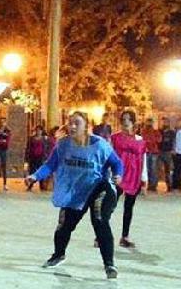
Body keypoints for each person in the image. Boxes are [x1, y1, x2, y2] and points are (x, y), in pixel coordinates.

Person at [25, 111, 123, 279]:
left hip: (99, 187)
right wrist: (35, 176)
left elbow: (116, 163)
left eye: (77, 123)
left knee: (99, 219)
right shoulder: (63, 145)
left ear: (87, 126)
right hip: (76, 190)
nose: (72, 126)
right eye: (70, 123)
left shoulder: (100, 145)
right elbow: (50, 165)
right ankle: (58, 255)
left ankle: (109, 264)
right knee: (64, 225)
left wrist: (118, 174)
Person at [111, 111, 147, 248]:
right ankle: (100, 235)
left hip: (134, 176)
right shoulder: (115, 138)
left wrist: (144, 179)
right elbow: (109, 157)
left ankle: (125, 236)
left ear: (134, 122)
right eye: (124, 119)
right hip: (119, 176)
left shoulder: (139, 140)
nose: (126, 122)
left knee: (129, 208)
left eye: (129, 119)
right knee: (110, 205)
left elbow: (143, 160)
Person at [24, 125, 50, 192]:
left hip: (41, 157)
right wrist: (26, 157)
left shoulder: (44, 139)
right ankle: (30, 185)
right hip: (32, 157)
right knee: (32, 171)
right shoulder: (31, 138)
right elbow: (28, 148)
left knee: (40, 171)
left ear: (42, 131)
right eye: (37, 130)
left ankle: (41, 186)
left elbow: (46, 148)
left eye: (40, 130)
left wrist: (46, 157)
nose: (38, 131)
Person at [140, 117, 161, 192]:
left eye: (150, 122)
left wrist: (151, 140)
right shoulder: (143, 131)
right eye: (148, 122)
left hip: (154, 152)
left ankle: (153, 186)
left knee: (153, 169)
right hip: (146, 152)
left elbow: (159, 139)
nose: (149, 124)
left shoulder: (156, 131)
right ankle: (145, 185)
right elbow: (142, 140)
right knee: (146, 169)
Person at [158, 117, 176, 193]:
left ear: (168, 123)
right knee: (159, 169)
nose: (164, 123)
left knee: (168, 170)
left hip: (168, 153)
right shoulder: (159, 131)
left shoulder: (172, 132)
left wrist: (173, 150)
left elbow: (174, 141)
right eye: (163, 122)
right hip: (160, 152)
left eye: (166, 122)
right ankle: (153, 186)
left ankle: (169, 187)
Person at [174, 118, 181, 191]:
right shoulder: (179, 132)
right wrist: (175, 151)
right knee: (177, 170)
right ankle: (176, 186)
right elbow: (176, 142)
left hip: (179, 153)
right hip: (179, 153)